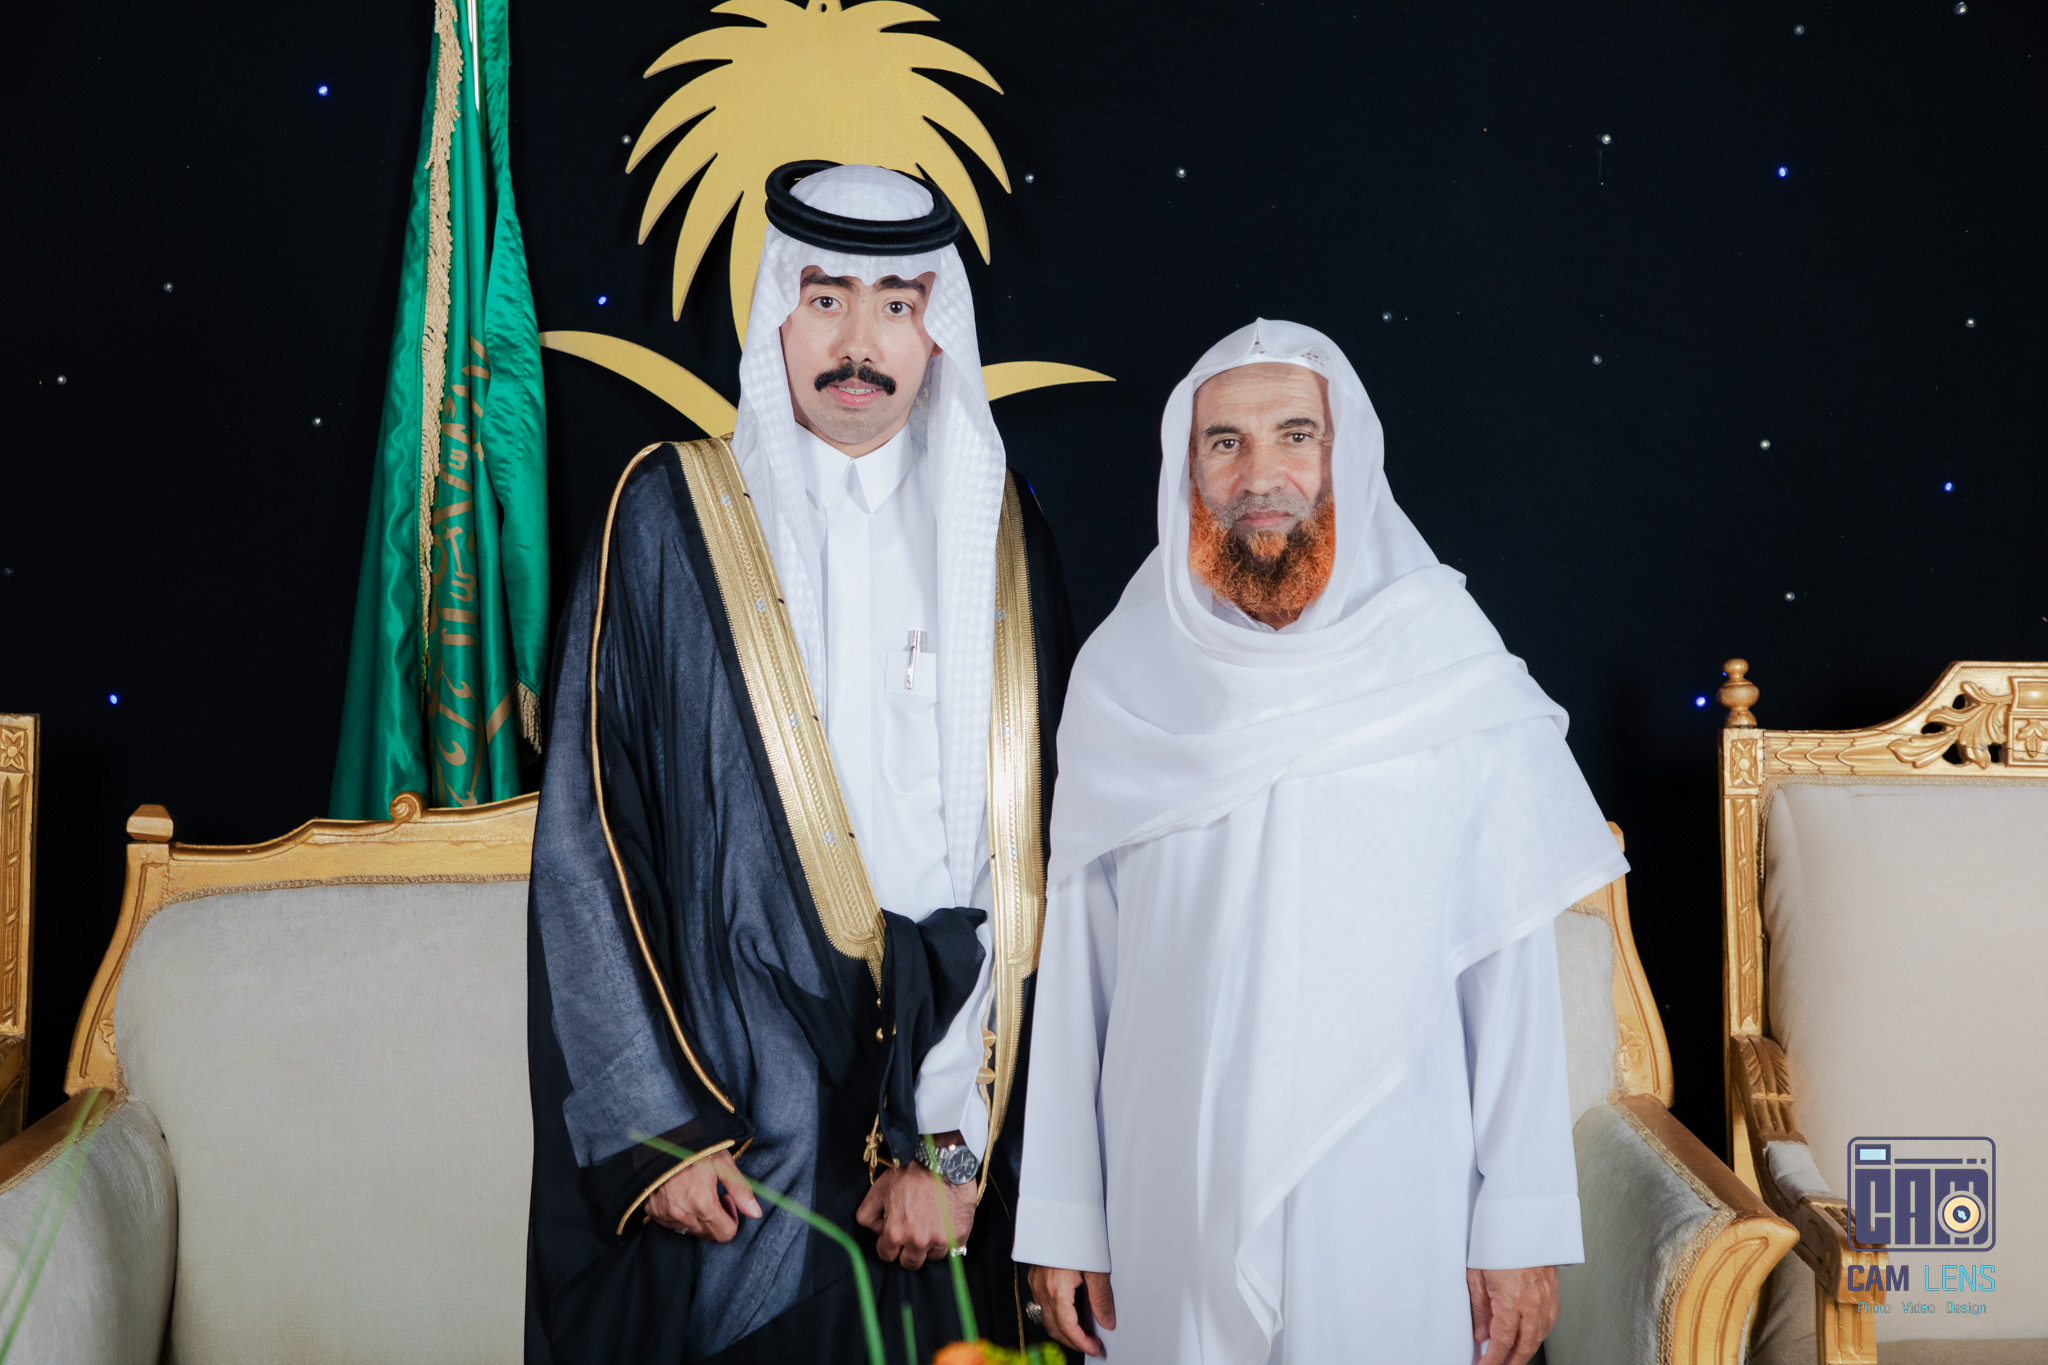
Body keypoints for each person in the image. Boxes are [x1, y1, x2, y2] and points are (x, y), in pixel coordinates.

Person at [525, 163, 1076, 1363]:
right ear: (778, 310)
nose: (858, 344)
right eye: (825, 299)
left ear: (936, 331)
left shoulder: (1003, 538)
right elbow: (587, 840)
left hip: (940, 1146)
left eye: (896, 305)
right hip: (729, 1133)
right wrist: (663, 1135)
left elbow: (1032, 873)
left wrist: (950, 1154)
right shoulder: (667, 515)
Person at [1012, 320, 1626, 1365]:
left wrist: (1517, 1225)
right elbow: (1078, 971)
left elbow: (1506, 967)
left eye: (1295, 435)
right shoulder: (1121, 677)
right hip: (1170, 1187)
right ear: (1186, 468)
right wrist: (1066, 1217)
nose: (1261, 477)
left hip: (1393, 1186)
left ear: (1347, 455)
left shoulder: (1444, 659)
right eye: (1225, 443)